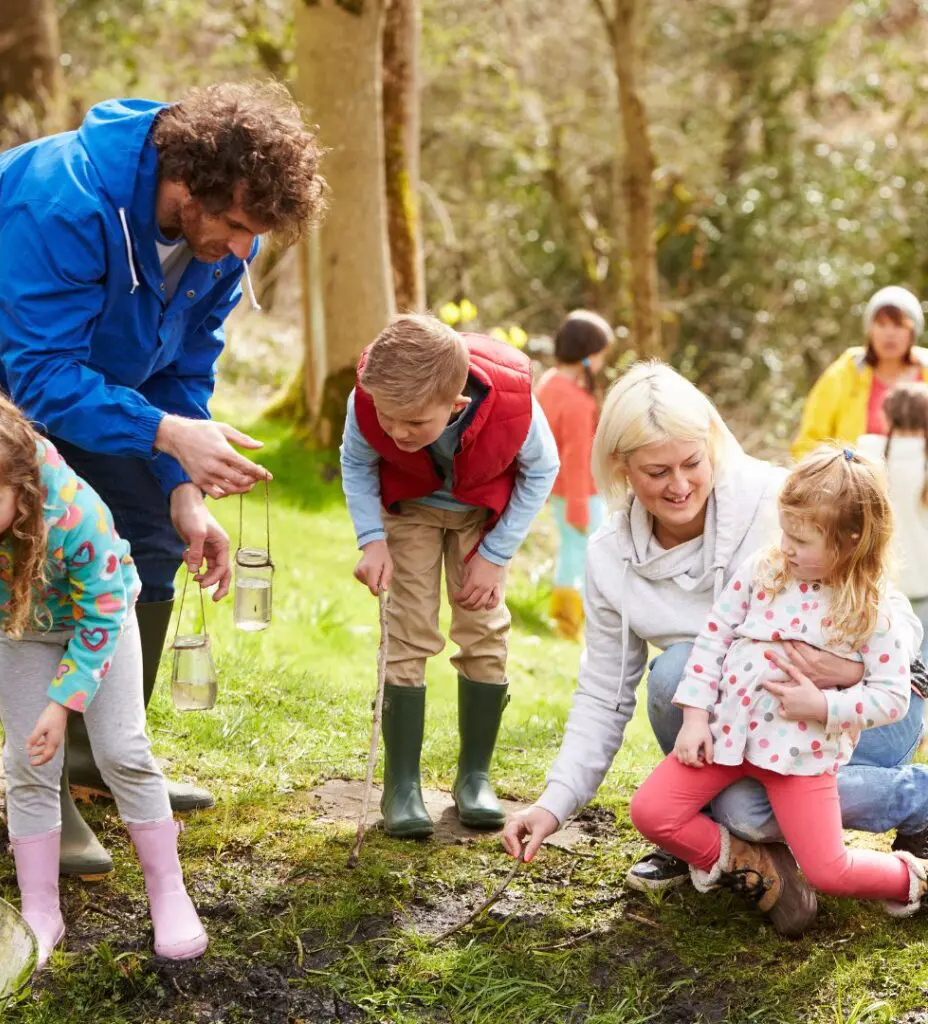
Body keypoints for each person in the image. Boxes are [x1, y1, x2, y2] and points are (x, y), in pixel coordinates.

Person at [0, 80, 326, 876]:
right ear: (188, 184)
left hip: (64, 368)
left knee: (153, 532)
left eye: (257, 234)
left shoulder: (222, 246)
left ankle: (99, 753)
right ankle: (37, 791)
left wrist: (182, 486)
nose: (246, 248)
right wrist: (167, 434)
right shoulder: (62, 201)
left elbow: (180, 370)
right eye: (239, 226)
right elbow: (39, 377)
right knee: (17, 538)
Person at [502, 362, 928, 919]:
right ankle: (748, 857)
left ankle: (917, 804)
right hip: (742, 727)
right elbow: (606, 693)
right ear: (622, 467)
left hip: (852, 717)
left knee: (755, 812)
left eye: (691, 463)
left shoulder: (786, 503)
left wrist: (842, 676)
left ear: (712, 445)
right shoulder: (616, 557)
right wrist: (554, 804)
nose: (679, 485)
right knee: (679, 680)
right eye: (657, 471)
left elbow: (889, 611)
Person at [0, 378, 207, 967]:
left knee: (122, 751)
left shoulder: (74, 513)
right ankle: (40, 908)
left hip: (99, 625)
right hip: (20, 630)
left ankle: (168, 892)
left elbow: (102, 612)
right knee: (28, 762)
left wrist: (63, 703)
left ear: (22, 488)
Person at [630, 447, 928, 935]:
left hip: (800, 757)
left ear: (850, 540)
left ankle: (912, 880)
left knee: (829, 870)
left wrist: (824, 705)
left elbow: (892, 696)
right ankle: (748, 863)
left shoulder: (870, 609)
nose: (785, 547)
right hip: (727, 738)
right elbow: (714, 637)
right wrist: (696, 717)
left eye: (801, 540)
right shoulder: (765, 570)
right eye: (785, 532)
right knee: (651, 812)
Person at [340, 315, 559, 837]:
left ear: (457, 405)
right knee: (408, 629)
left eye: (414, 423)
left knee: (484, 631)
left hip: (480, 518)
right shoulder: (370, 397)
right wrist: (372, 540)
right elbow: (356, 462)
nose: (397, 431)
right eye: (388, 418)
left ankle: (474, 777)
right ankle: (401, 785)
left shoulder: (516, 409)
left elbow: (542, 471)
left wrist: (495, 555)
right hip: (409, 509)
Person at [535, 310, 613, 640]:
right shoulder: (577, 402)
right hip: (580, 494)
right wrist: (579, 508)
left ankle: (566, 620)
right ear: (587, 355)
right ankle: (568, 624)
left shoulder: (549, 382)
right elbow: (577, 459)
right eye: (601, 355)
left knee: (571, 550)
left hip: (559, 490)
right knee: (580, 556)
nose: (602, 362)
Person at [792, 285, 928, 460]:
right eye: (881, 324)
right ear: (870, 330)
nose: (889, 333)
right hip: (853, 475)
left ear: (913, 331)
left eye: (898, 325)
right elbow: (810, 441)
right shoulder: (845, 371)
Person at [858, 382, 928, 661]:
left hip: (879, 579)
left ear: (886, 416)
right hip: (924, 583)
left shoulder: (866, 452)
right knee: (922, 664)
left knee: (886, 662)